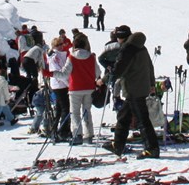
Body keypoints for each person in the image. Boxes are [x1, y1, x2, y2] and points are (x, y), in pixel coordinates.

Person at [101, 30, 160, 159]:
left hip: (133, 88)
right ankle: (118, 145)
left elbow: (120, 68)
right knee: (124, 116)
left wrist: (107, 78)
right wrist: (151, 83)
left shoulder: (128, 49)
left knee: (142, 120)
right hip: (140, 87)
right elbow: (150, 66)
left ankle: (152, 148)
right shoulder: (141, 47)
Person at [56, 34, 97, 145]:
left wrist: (52, 74)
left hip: (75, 89)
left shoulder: (72, 57)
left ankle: (77, 135)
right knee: (87, 111)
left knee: (75, 113)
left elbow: (64, 74)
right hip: (89, 88)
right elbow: (98, 72)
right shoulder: (91, 57)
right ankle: (89, 135)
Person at [45, 36, 72, 141]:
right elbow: (58, 72)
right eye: (58, 45)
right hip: (59, 84)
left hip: (61, 84)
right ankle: (63, 131)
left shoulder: (60, 55)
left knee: (60, 109)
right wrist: (68, 83)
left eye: (62, 44)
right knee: (65, 108)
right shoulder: (54, 56)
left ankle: (55, 129)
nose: (61, 46)